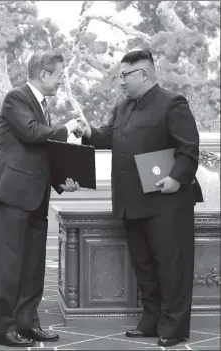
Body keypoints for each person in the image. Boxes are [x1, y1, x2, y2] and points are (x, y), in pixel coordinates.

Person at [75, 50, 203, 347]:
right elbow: (109, 136)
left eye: (125, 76)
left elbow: (189, 147)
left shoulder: (173, 102)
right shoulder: (122, 107)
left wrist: (176, 178)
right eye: (119, 76)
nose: (120, 82)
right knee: (144, 267)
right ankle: (151, 320)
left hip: (167, 202)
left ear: (143, 74)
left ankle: (173, 328)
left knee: (171, 267)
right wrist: (88, 131)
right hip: (131, 202)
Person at [0, 50, 81, 347]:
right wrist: (67, 128)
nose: (60, 81)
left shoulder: (41, 106)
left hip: (35, 197)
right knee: (10, 266)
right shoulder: (16, 98)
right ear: (44, 75)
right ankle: (3, 330)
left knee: (32, 267)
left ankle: (27, 325)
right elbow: (30, 134)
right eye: (58, 75)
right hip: (13, 196)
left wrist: (63, 183)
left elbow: (42, 153)